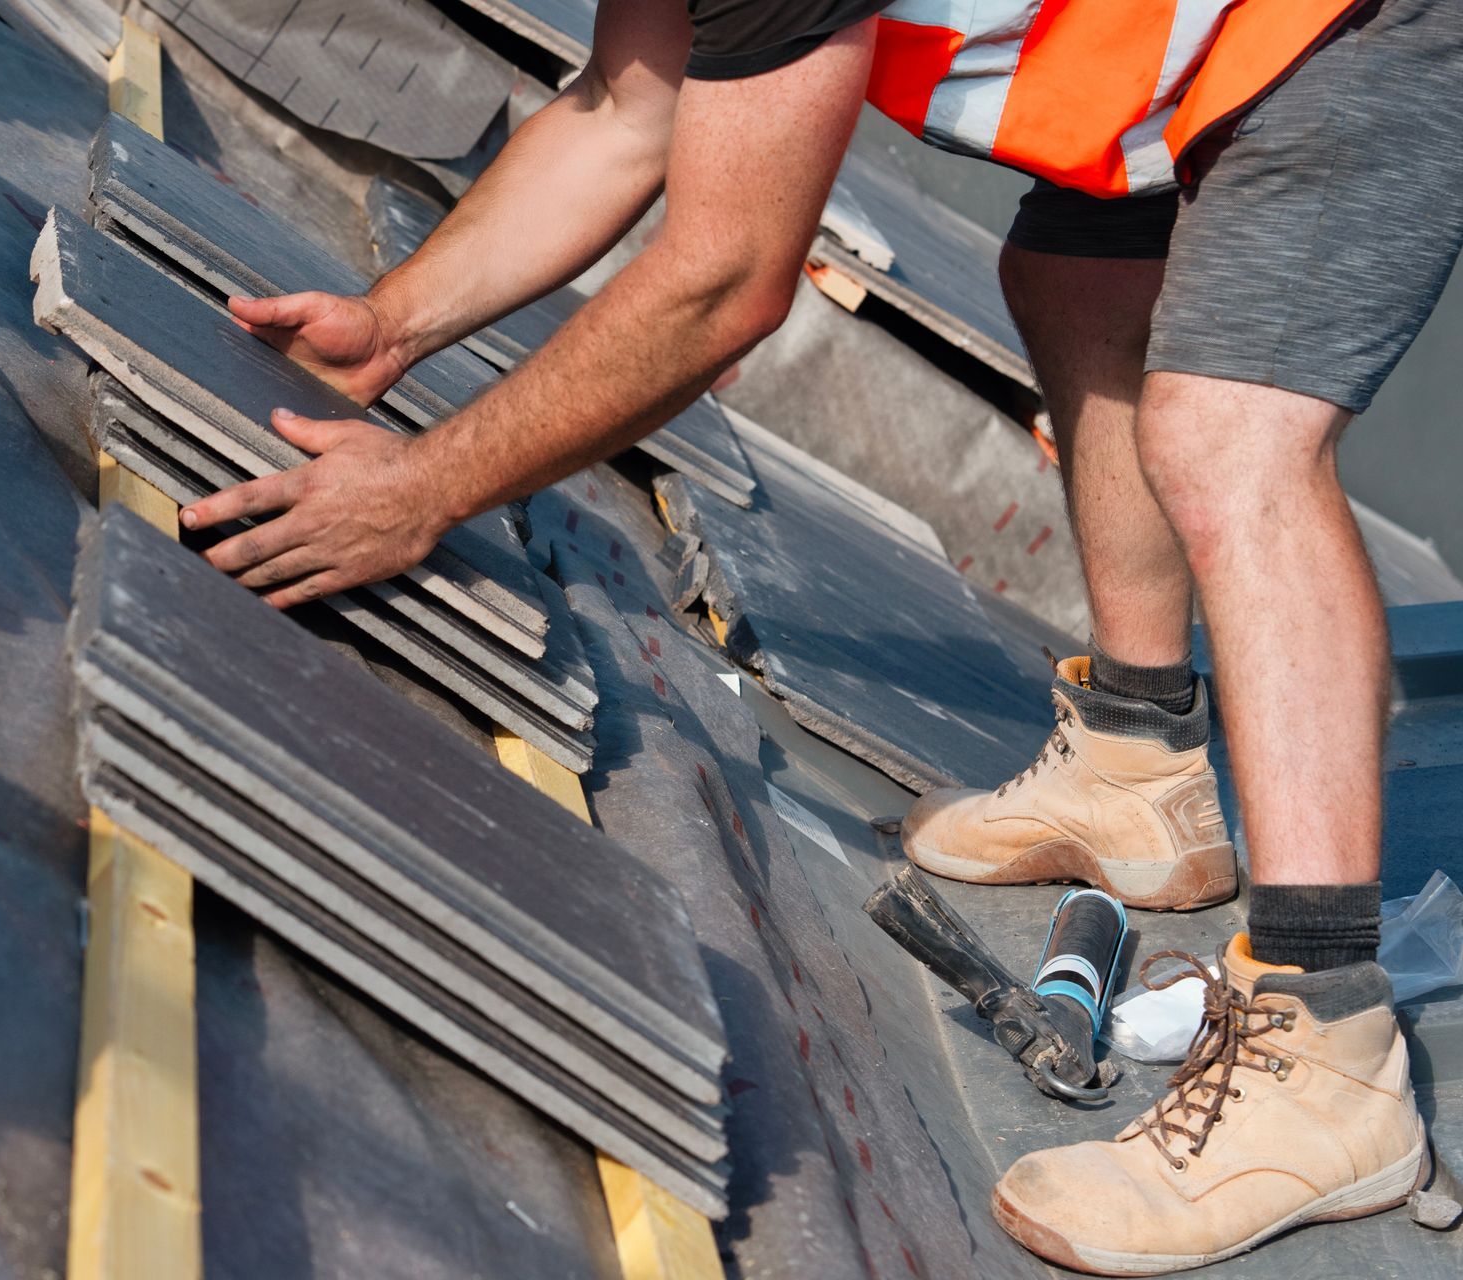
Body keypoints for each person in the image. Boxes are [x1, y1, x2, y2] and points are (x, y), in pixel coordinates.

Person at [178, 0, 1454, 1270]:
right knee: (1075, 273)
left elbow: (728, 279)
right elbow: (629, 112)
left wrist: (419, 492)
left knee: (1232, 434)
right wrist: (389, 327)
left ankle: (1329, 1044)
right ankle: (1137, 761)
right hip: (1191, 46)